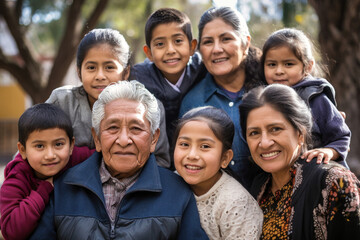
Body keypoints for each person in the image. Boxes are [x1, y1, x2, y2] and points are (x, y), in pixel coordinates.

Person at [29, 81, 209, 239]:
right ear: (97, 138)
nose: (123, 140)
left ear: (154, 139)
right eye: (113, 128)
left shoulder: (178, 193)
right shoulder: (63, 187)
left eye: (136, 128)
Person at [239, 84, 360, 239]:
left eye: (275, 129)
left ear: (300, 134)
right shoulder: (258, 188)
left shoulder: (335, 182)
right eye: (254, 133)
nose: (264, 143)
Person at [46, 28, 171, 168]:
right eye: (91, 67)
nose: (100, 76)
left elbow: (160, 161)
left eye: (109, 67)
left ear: (126, 73)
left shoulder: (148, 107)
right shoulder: (63, 102)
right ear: (79, 72)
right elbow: (37, 146)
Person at [179, 6, 265, 190]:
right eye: (208, 42)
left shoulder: (270, 90)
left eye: (226, 39)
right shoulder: (193, 103)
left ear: (245, 43)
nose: (217, 49)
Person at [0, 103, 94, 240]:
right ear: (23, 150)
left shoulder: (75, 157)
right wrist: (43, 189)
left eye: (58, 144)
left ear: (71, 145)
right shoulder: (17, 177)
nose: (50, 155)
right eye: (39, 146)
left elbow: (104, 158)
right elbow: (12, 231)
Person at [260, 28, 350, 167]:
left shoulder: (315, 97)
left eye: (288, 64)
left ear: (308, 66)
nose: (279, 71)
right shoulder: (264, 99)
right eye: (272, 64)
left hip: (319, 173)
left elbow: (341, 136)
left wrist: (329, 151)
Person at [174, 106, 263, 239]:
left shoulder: (236, 204)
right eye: (184, 144)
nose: (192, 155)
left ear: (225, 158)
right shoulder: (170, 183)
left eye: (205, 146)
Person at [129, 8, 207, 149]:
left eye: (178, 41)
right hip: (155, 150)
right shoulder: (137, 78)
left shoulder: (202, 68)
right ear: (149, 53)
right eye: (160, 44)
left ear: (192, 47)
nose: (170, 50)